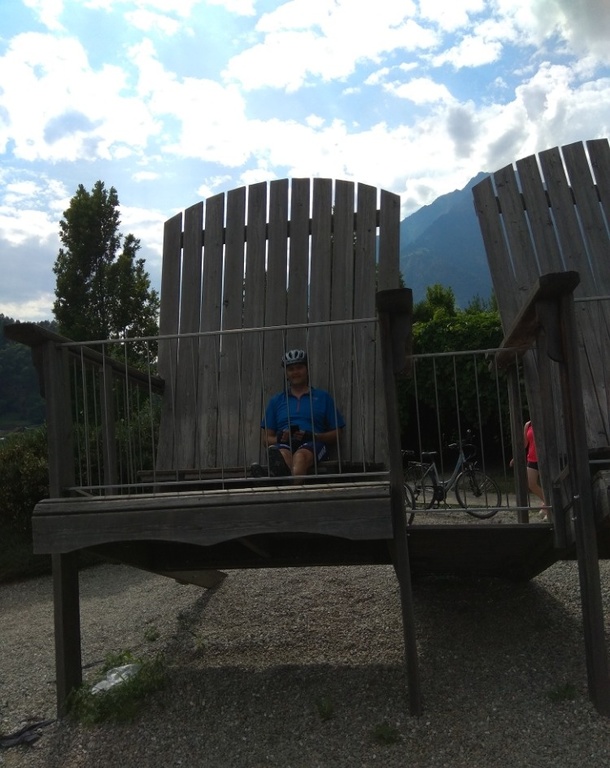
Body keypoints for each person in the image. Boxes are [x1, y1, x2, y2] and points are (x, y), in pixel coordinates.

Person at [252, 349, 345, 478]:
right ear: (286, 374)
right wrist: (280, 437)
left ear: (307, 370)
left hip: (313, 444)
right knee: (282, 456)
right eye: (291, 369)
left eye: (299, 368)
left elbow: (337, 434)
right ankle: (285, 483)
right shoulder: (276, 401)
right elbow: (266, 439)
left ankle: (271, 481)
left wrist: (313, 436)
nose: (295, 372)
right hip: (285, 444)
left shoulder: (323, 397)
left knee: (300, 457)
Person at [510, 419, 550, 520]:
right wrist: (516, 456)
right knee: (531, 483)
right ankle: (548, 503)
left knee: (548, 484)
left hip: (545, 458)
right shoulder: (528, 425)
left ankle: (548, 507)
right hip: (532, 458)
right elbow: (525, 443)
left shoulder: (545, 422)